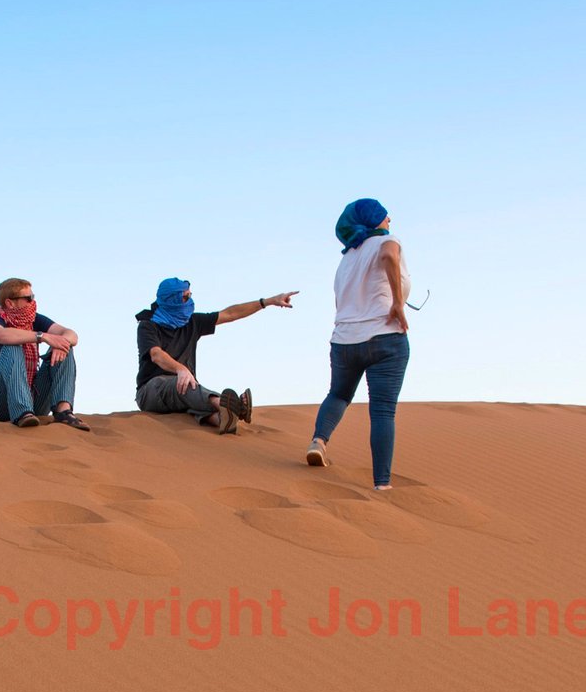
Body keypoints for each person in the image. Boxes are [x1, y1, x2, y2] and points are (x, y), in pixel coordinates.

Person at [307, 199, 410, 490]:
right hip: (385, 337)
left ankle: (318, 441)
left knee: (339, 394)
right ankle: (382, 484)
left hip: (344, 341)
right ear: (373, 219)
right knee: (383, 410)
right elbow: (389, 255)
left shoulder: (346, 260)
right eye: (384, 214)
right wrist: (398, 303)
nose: (389, 219)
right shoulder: (387, 241)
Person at [135, 278, 298, 434]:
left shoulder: (192, 322)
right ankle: (228, 404)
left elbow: (230, 314)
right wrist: (181, 369)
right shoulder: (148, 325)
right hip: (150, 391)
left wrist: (268, 302)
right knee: (184, 387)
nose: (190, 301)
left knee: (193, 403)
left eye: (190, 295)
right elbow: (156, 354)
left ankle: (223, 419)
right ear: (172, 299)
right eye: (185, 297)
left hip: (185, 392)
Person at [0, 278, 89, 430]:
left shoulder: (34, 319)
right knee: (12, 346)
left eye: (33, 296)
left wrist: (61, 343)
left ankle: (63, 411)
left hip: (34, 399)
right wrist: (42, 336)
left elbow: (72, 335)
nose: (33, 301)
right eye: (28, 298)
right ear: (10, 303)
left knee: (65, 346)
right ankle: (22, 413)